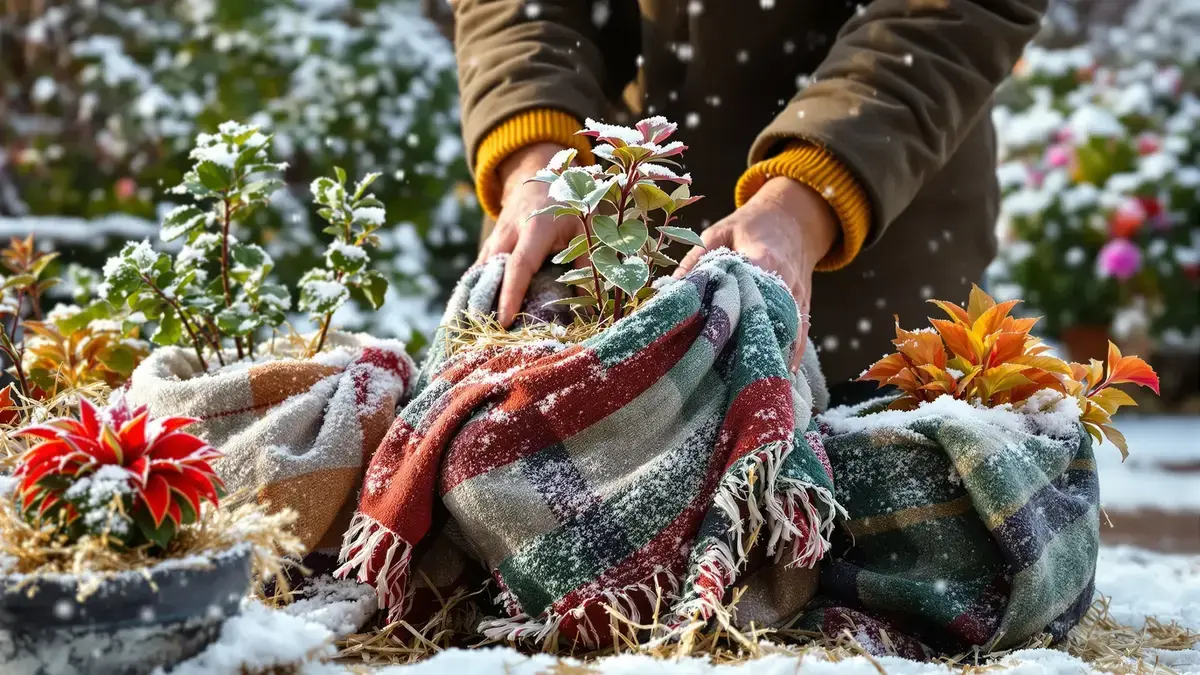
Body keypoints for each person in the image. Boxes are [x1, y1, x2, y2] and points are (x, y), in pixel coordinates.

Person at [451, 0, 1045, 405]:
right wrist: (538, 157)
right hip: (589, 246)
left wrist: (811, 196)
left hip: (869, 262)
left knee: (845, 528)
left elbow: (951, 13)